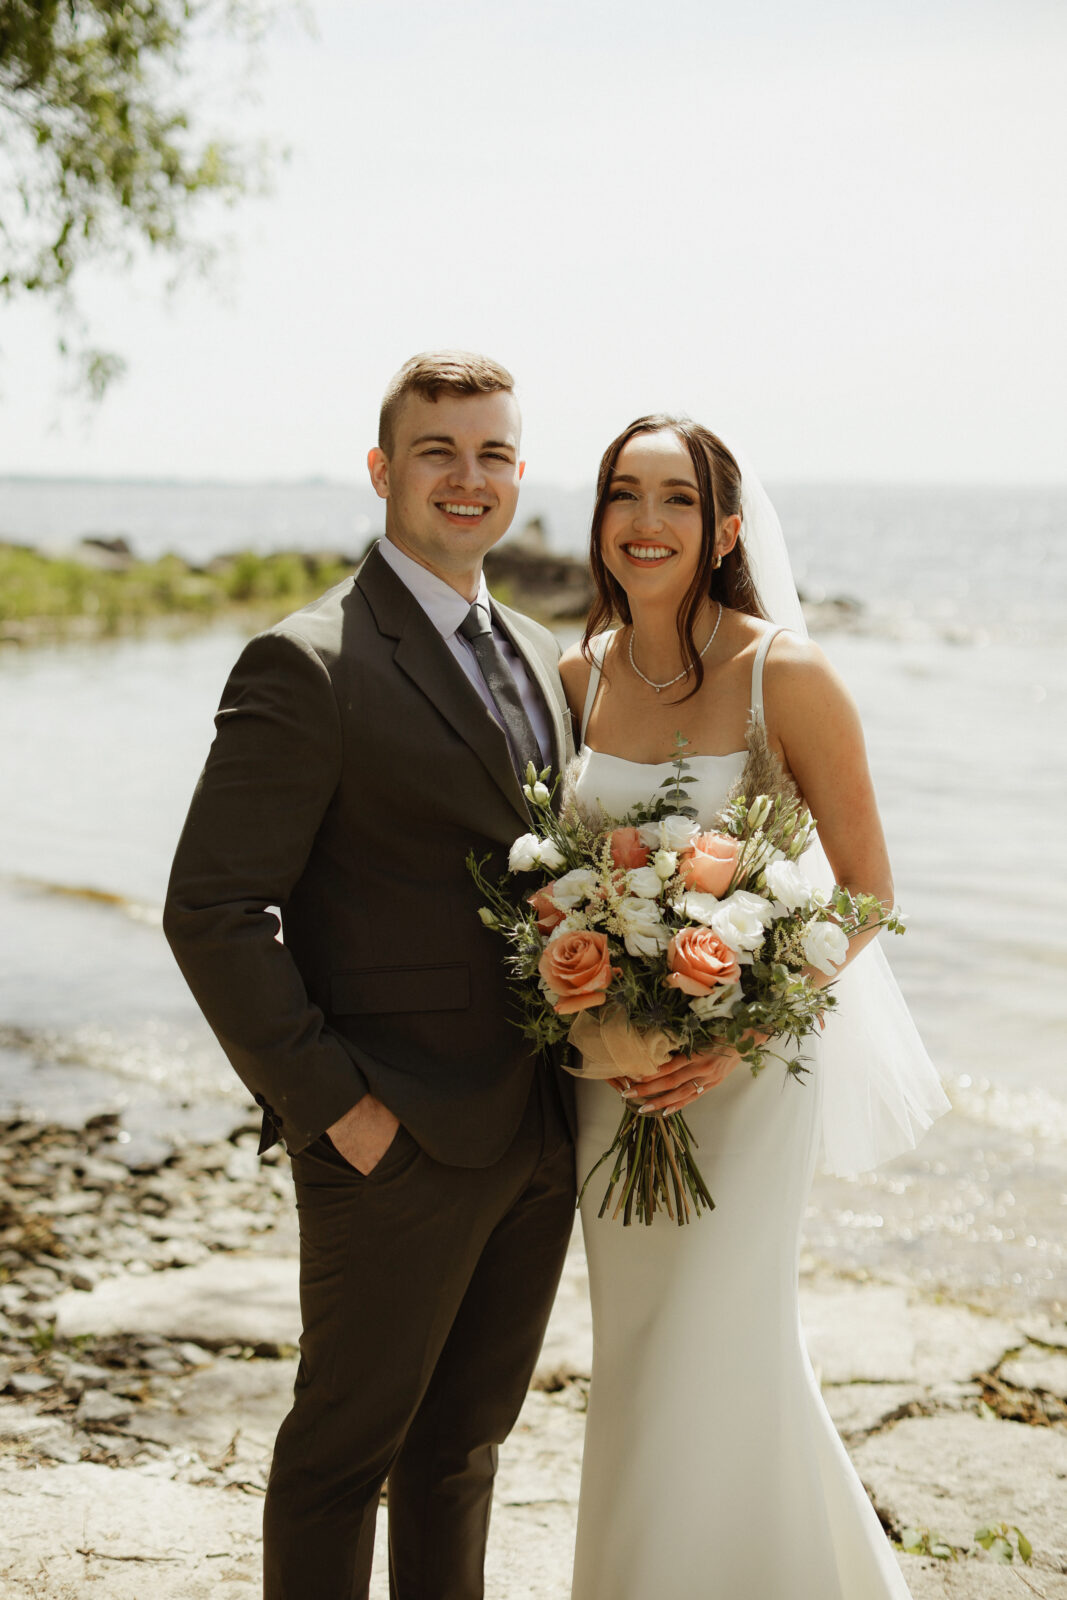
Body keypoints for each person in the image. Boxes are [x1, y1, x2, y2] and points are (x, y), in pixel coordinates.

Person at [163, 351, 577, 1600]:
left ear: (516, 474)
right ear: (382, 470)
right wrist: (338, 1112)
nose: (468, 478)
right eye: (438, 452)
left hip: (539, 1132)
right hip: (389, 1140)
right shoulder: (309, 662)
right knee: (344, 1458)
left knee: (461, 1453)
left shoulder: (543, 655)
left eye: (493, 453)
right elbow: (212, 910)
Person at [558, 415, 949, 1599]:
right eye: (623, 494)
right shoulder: (574, 675)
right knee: (633, 1352)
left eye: (675, 498)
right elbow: (547, 875)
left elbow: (868, 891)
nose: (643, 520)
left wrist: (732, 1034)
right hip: (613, 1078)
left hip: (750, 1071)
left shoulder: (788, 672)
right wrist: (581, 971)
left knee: (725, 1338)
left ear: (724, 526)